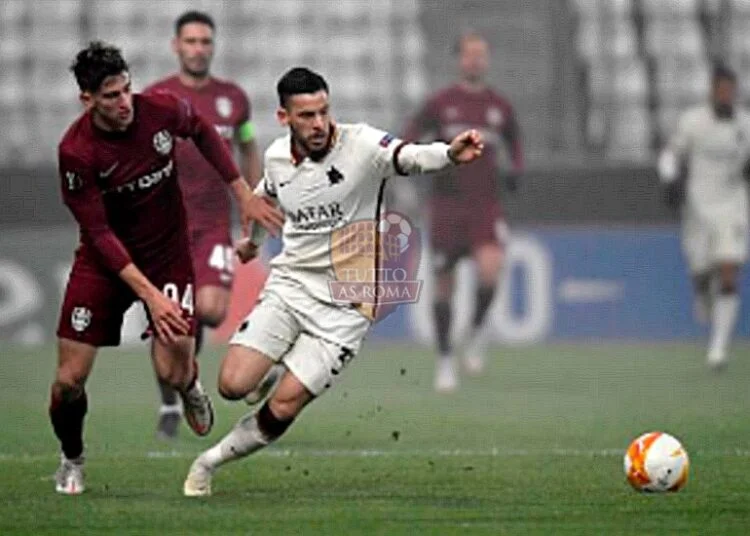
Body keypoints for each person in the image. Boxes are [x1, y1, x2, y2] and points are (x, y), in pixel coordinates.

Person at [182, 67, 484, 497]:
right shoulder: (275, 158)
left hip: (348, 302)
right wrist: (253, 242)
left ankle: (209, 463)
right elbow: (269, 196)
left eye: (324, 111)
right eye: (307, 115)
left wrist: (449, 154)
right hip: (291, 284)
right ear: (285, 118)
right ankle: (274, 367)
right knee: (232, 385)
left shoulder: (360, 145)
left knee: (283, 405)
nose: (320, 124)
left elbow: (407, 156)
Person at [52, 42, 282, 495]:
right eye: (111, 97)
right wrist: (151, 297)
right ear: (87, 100)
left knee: (173, 367)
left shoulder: (158, 110)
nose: (124, 104)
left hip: (167, 255)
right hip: (104, 263)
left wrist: (242, 193)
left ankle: (189, 385)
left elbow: (202, 130)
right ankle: (72, 457)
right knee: (68, 382)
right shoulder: (77, 152)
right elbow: (99, 234)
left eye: (126, 90)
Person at [145, 11, 263, 439]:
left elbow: (248, 143)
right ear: (176, 45)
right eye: (191, 41)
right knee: (174, 320)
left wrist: (252, 196)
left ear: (213, 46)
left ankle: (184, 381)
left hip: (214, 222)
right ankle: (169, 403)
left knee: (209, 310)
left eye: (205, 41)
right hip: (166, 229)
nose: (198, 48)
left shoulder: (234, 99)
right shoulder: (156, 96)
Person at [401, 32, 524, 392]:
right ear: (459, 60)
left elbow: (516, 142)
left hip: (485, 205)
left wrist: (516, 169)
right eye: (469, 55)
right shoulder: (441, 103)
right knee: (444, 285)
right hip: (446, 206)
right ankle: (444, 360)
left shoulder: (499, 107)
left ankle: (474, 332)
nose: (475, 61)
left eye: (481, 55)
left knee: (490, 271)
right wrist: (413, 163)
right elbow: (409, 136)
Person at [658, 64, 750, 370]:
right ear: (712, 91)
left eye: (730, 90)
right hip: (698, 206)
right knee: (701, 272)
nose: (726, 95)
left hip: (733, 205)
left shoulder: (745, 125)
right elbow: (671, 154)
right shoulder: (693, 122)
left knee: (729, 267)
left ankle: (718, 348)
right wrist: (669, 179)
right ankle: (701, 291)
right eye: (721, 89)